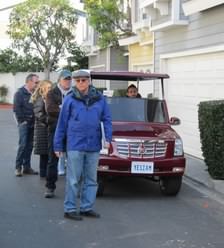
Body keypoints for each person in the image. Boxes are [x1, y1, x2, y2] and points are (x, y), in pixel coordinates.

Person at [54, 69, 112, 221]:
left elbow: (106, 119)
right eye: (77, 80)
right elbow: (62, 123)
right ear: (74, 82)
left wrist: (108, 138)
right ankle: (70, 208)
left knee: (91, 179)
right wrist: (58, 145)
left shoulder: (100, 99)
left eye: (84, 80)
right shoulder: (69, 99)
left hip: (93, 145)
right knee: (73, 179)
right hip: (75, 144)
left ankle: (87, 207)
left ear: (89, 81)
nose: (80, 83)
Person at [44, 69, 72, 198]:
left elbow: (78, 111)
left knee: (74, 160)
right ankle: (50, 187)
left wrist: (61, 108)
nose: (68, 81)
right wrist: (67, 111)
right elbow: (50, 109)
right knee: (53, 160)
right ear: (59, 80)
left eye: (69, 79)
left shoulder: (74, 93)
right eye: (65, 79)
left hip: (72, 132)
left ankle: (73, 188)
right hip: (55, 131)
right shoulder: (52, 93)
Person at [13, 73, 39, 177]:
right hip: (24, 123)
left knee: (29, 146)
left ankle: (27, 167)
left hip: (33, 123)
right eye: (36, 82)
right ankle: (18, 168)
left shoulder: (36, 93)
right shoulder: (19, 93)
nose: (37, 84)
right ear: (29, 82)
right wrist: (22, 121)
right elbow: (16, 109)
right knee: (23, 145)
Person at [30, 80, 53, 178]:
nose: (50, 89)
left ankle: (46, 173)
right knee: (44, 154)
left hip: (45, 128)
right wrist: (50, 120)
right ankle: (44, 174)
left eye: (51, 88)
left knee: (46, 153)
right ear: (43, 88)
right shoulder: (40, 99)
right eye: (48, 88)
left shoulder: (47, 97)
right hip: (42, 129)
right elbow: (39, 114)